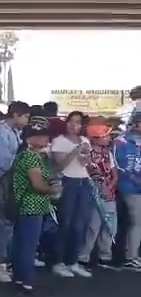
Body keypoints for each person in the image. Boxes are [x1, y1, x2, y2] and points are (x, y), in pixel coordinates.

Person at [0, 101, 30, 282]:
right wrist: (22, 160)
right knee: (5, 224)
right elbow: (3, 163)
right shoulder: (2, 133)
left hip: (10, 182)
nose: (26, 120)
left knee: (8, 224)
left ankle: (6, 261)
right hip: (2, 182)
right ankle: (0, 265)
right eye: (25, 116)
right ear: (16, 115)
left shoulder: (12, 132)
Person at [10, 116, 60, 293]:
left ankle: (19, 278)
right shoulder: (31, 157)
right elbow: (38, 184)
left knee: (22, 243)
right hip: (32, 205)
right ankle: (27, 281)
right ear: (30, 138)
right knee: (29, 245)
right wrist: (53, 190)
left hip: (26, 204)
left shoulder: (29, 155)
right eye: (42, 135)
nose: (46, 138)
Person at [50, 111, 94, 279]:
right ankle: (58, 262)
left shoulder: (84, 140)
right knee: (65, 223)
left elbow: (85, 164)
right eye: (71, 121)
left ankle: (72, 261)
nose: (74, 125)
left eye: (78, 122)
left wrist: (86, 155)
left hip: (83, 181)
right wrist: (76, 150)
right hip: (68, 181)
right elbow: (60, 165)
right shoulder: (59, 141)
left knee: (79, 224)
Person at [79, 117, 118, 270]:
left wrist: (109, 187)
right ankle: (84, 255)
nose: (109, 139)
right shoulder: (87, 154)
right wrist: (99, 189)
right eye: (106, 136)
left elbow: (115, 174)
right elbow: (90, 173)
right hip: (93, 194)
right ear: (97, 138)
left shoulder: (108, 153)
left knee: (110, 226)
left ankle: (105, 255)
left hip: (109, 193)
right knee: (92, 226)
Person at [114, 111, 141, 271]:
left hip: (135, 187)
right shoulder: (121, 140)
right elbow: (118, 164)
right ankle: (131, 257)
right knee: (136, 223)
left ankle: (131, 255)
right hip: (128, 187)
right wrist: (134, 179)